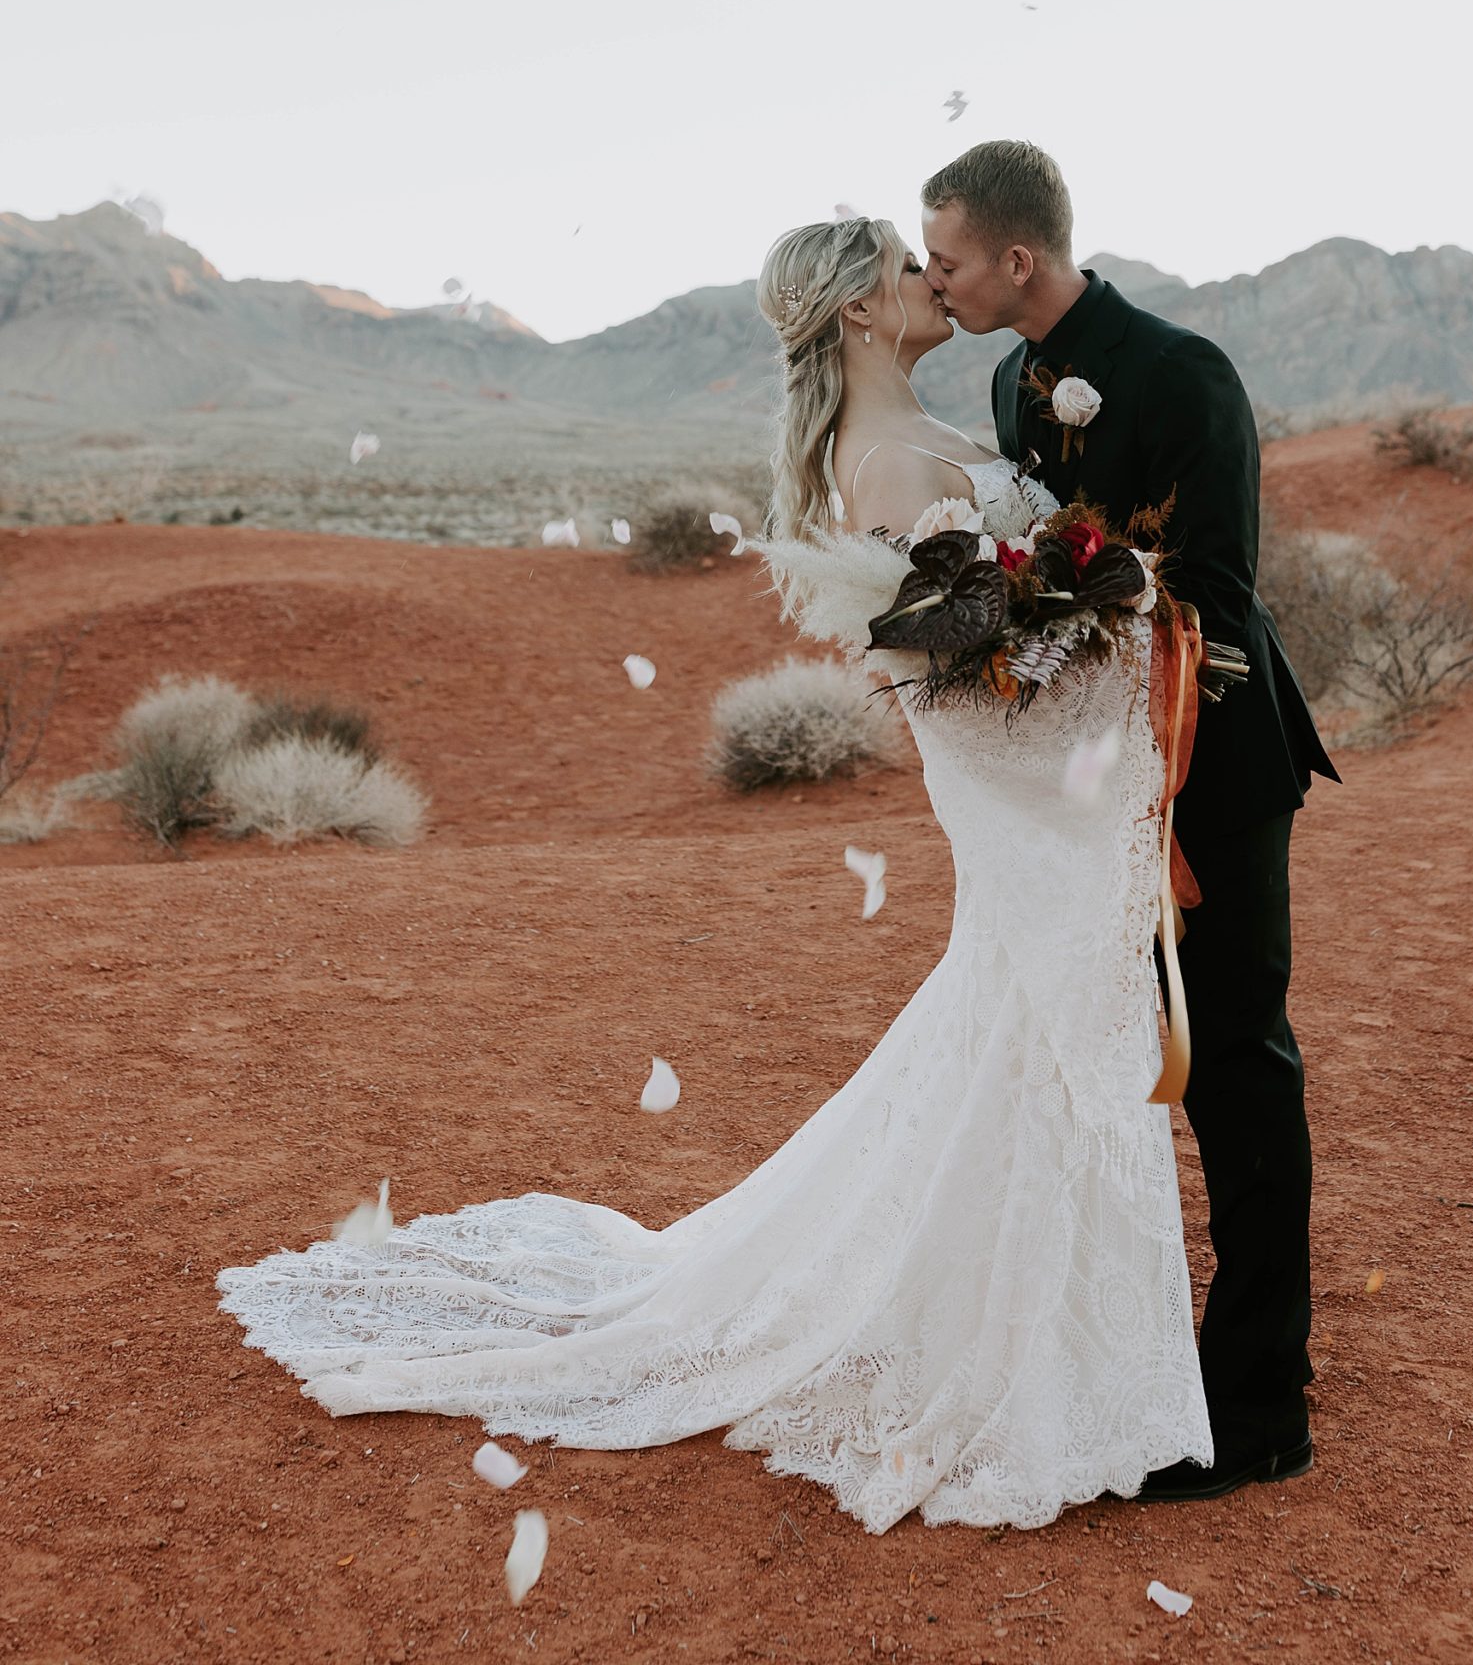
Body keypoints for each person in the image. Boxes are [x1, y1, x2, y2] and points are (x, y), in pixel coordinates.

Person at [216, 214, 1214, 1533]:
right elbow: (963, 683)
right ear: (861, 311)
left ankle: (1062, 1343)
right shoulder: (882, 459)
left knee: (1031, 1032)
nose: (931, 278)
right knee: (1038, 1029)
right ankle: (1034, 1367)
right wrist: (1112, 626)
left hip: (1064, 802)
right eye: (907, 268)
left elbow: (982, 634)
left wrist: (1095, 629)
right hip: (1033, 804)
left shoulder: (933, 426)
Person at [922, 139, 1337, 1500]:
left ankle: (1262, 1397)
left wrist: (1063, 596)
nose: (940, 284)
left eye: (951, 262)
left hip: (1213, 759)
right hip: (1093, 781)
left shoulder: (1184, 373)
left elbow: (1212, 585)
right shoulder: (1004, 381)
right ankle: (1128, 1353)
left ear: (1017, 260)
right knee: (1114, 1054)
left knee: (1234, 1055)